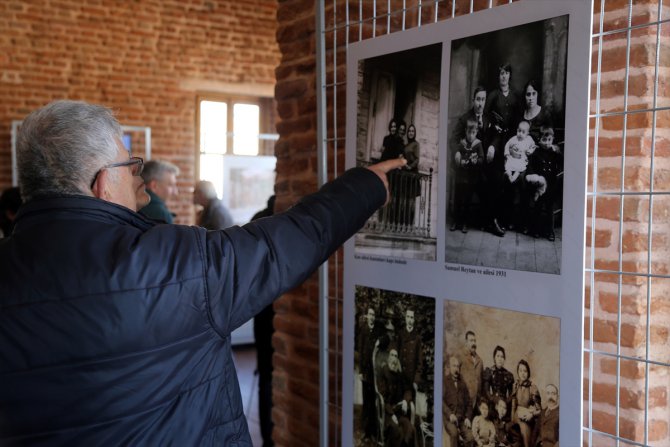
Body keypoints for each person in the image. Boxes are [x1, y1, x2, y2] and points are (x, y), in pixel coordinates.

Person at [0, 99, 405, 445]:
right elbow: (286, 242)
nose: (137, 177)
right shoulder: (173, 263)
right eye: (130, 166)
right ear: (104, 183)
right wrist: (367, 185)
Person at [251, 195, 276, 447]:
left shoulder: (258, 220)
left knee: (266, 373)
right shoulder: (280, 220)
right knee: (269, 374)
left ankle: (268, 438)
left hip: (262, 310)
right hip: (273, 311)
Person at [525, 126, 562, 241]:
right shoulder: (536, 153)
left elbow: (561, 162)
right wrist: (533, 177)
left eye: (549, 140)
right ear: (540, 140)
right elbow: (530, 167)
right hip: (539, 185)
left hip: (551, 185)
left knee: (549, 208)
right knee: (538, 207)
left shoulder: (554, 153)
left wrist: (558, 151)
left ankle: (550, 231)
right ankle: (535, 229)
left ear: (552, 140)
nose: (547, 143)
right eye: (544, 140)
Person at [357, 306, 385, 442]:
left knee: (374, 402)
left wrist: (380, 341)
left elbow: (387, 339)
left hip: (375, 374)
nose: (372, 317)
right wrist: (361, 372)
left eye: (374, 314)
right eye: (370, 314)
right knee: (366, 402)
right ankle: (365, 432)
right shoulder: (363, 331)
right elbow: (361, 352)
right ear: (367, 316)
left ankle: (374, 432)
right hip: (366, 374)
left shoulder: (379, 330)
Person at [378, 347, 415, 447]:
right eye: (392, 355)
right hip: (387, 412)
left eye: (396, 356)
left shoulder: (400, 375)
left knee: (409, 428)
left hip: (399, 412)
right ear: (388, 358)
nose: (394, 359)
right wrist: (391, 414)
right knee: (396, 431)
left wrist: (405, 401)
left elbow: (408, 390)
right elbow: (382, 397)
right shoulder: (383, 372)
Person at [451, 121, 483, 233]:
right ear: (465, 131)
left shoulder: (478, 144)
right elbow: (456, 158)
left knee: (467, 201)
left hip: (471, 177)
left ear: (476, 132)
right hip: (460, 176)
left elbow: (481, 158)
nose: (471, 135)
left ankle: (465, 223)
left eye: (473, 132)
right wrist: (460, 161)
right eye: (469, 132)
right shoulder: (461, 143)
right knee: (458, 200)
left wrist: (476, 161)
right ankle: (455, 221)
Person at [443, 356, 474, 447]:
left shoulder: (462, 383)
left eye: (458, 366)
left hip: (461, 419)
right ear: (449, 367)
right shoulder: (444, 381)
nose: (456, 369)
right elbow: (441, 402)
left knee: (470, 438)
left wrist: (468, 417)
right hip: (449, 419)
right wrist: (449, 414)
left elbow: (469, 402)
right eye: (454, 366)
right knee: (454, 433)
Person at [511, 360, 541, 447]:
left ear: (528, 372)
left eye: (525, 371)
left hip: (526, 419)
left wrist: (531, 415)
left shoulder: (532, 387)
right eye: (520, 370)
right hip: (516, 417)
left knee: (525, 436)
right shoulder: (515, 385)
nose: (522, 373)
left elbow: (539, 410)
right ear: (517, 372)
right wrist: (512, 421)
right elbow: (513, 406)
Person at [139, 159, 180, 223]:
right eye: (170, 185)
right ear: (154, 186)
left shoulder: (133, 204)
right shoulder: (162, 215)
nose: (175, 192)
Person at [482, 346, 515, 418]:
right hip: (493, 403)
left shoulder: (508, 374)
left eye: (502, 357)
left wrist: (504, 404)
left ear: (504, 359)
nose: (500, 359)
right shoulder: (489, 371)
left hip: (505, 405)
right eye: (498, 356)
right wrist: (495, 400)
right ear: (494, 358)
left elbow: (510, 395)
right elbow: (486, 392)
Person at [397, 307, 423, 398]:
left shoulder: (417, 338)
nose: (409, 320)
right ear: (405, 318)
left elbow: (420, 363)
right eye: (408, 317)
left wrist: (416, 381)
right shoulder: (400, 334)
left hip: (411, 380)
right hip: (400, 377)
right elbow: (396, 355)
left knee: (411, 408)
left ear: (414, 320)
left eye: (411, 317)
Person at [459, 330, 483, 414]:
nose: (474, 343)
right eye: (471, 340)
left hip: (477, 402)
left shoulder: (480, 360)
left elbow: (481, 381)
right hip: (464, 400)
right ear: (466, 342)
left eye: (475, 341)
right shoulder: (460, 356)